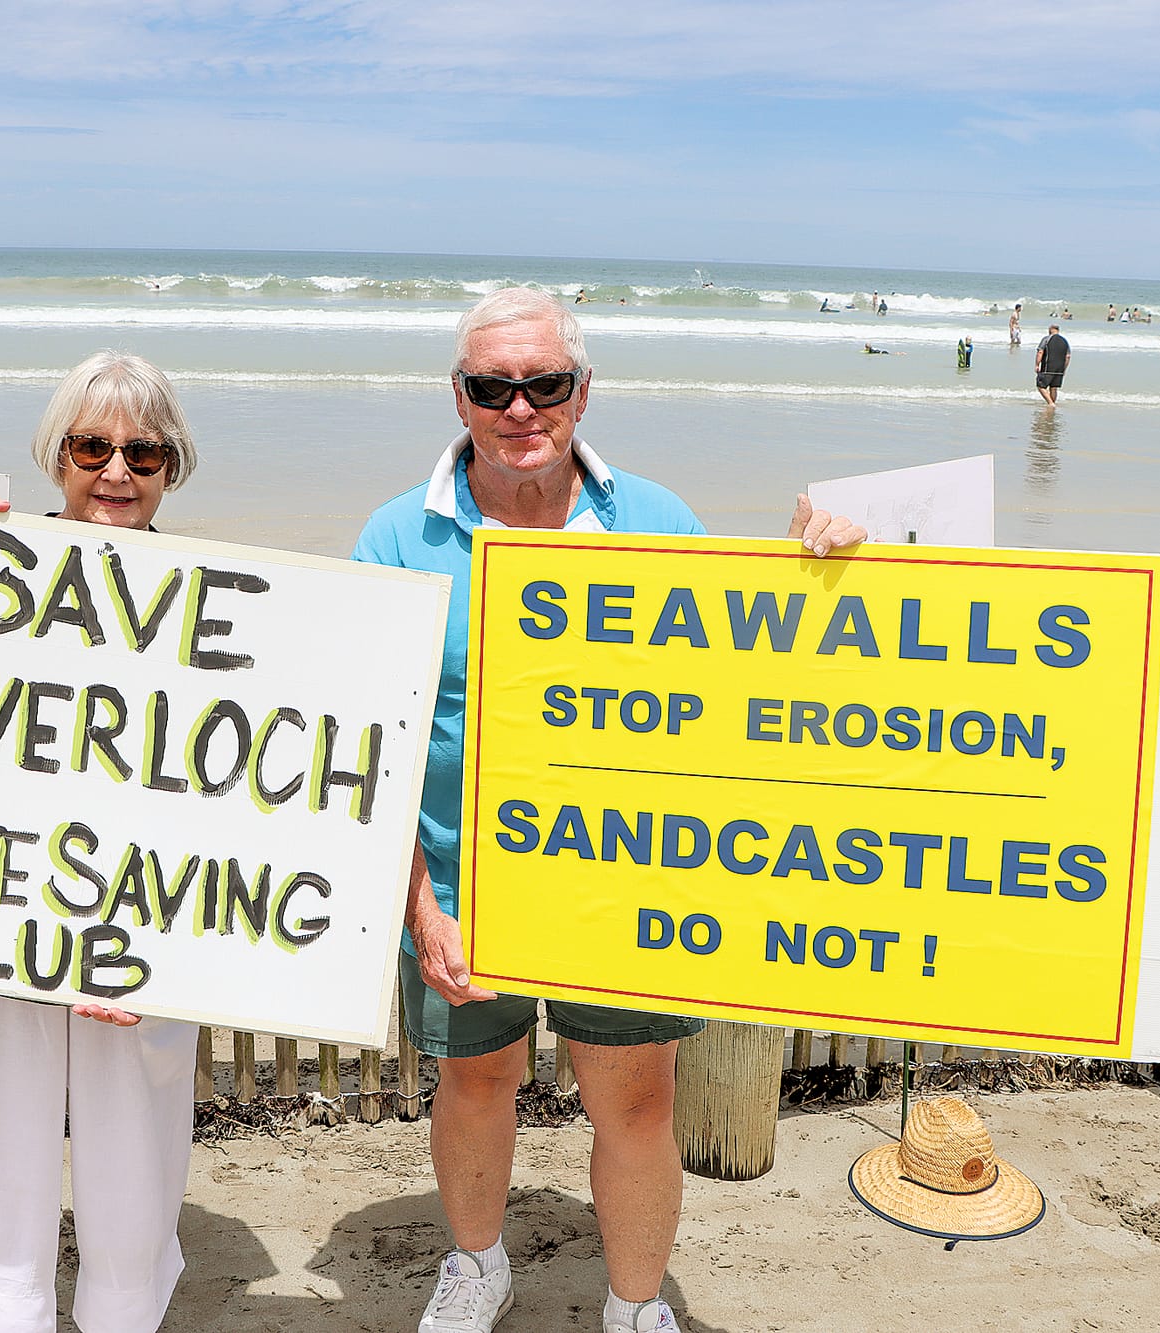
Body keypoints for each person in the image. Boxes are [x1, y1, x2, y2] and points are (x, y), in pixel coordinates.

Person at [352, 288, 863, 1333]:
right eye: (492, 387)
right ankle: (476, 1262)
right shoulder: (397, 536)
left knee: (634, 1104)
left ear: (581, 390)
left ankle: (634, 1306)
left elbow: (738, 691)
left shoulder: (658, 523)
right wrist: (419, 907)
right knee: (475, 1086)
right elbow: (370, 749)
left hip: (623, 888)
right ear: (459, 396)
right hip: (460, 885)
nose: (519, 407)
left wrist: (832, 564)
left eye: (542, 383)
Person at [0, 351, 203, 1333]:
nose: (116, 470)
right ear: (55, 456)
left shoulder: (217, 597)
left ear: (174, 466)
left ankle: (123, 1306)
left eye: (143, 451)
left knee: (140, 1110)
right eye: (91, 446)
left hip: (139, 898)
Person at [1035, 322, 1072, 406]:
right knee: (1054, 388)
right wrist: (1064, 368)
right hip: (1059, 369)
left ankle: (1051, 403)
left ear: (1050, 329)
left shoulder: (1046, 339)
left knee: (1040, 386)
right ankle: (1052, 404)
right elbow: (1068, 356)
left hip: (1048, 367)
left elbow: (1040, 352)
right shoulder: (1065, 341)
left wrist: (1037, 364)